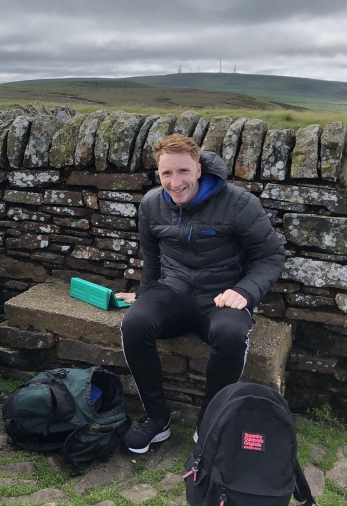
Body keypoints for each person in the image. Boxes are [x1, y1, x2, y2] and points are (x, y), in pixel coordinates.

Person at [117, 134, 285, 454]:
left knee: (231, 334)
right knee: (134, 324)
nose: (175, 182)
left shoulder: (238, 203)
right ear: (158, 173)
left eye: (183, 171)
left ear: (198, 168)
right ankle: (157, 419)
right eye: (167, 173)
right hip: (172, 290)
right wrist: (144, 294)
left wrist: (245, 291)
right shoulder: (151, 204)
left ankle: (210, 421)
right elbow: (152, 259)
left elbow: (271, 256)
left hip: (221, 297)